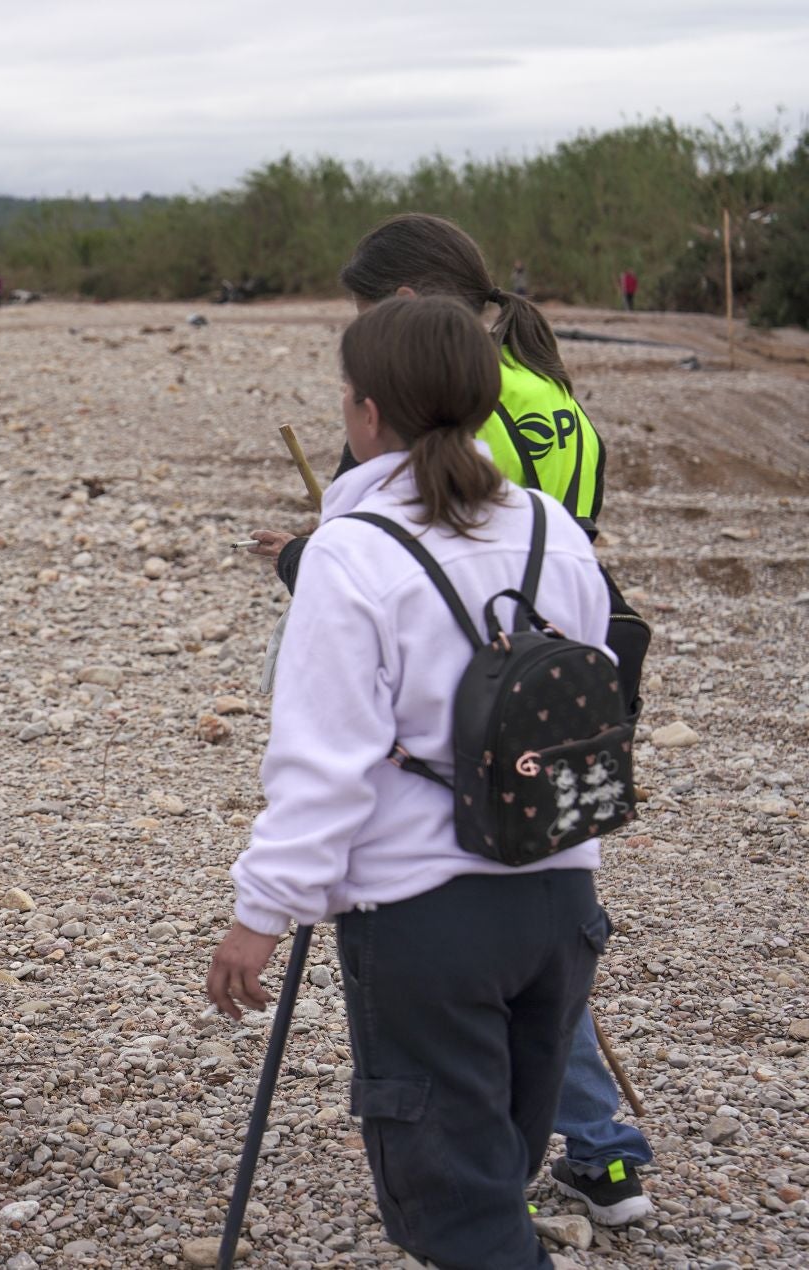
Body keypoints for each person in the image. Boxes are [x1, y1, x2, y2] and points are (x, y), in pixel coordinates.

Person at [247, 213, 655, 1227]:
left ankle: (594, 1156)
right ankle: (601, 1155)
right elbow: (594, 655)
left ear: (372, 410)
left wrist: (263, 909)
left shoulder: (357, 551)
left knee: (453, 1205)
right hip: (558, 878)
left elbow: (324, 756)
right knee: (494, 1170)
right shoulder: (556, 505)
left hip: (427, 897)